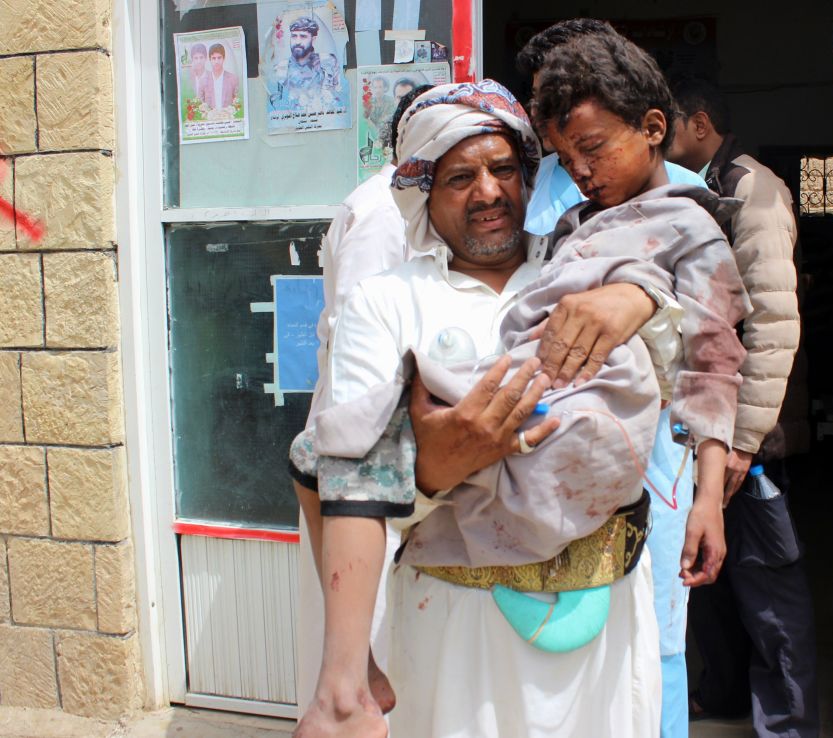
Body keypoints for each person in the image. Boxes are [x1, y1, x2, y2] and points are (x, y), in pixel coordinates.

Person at [297, 80, 675, 737]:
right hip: (458, 627)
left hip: (607, 614)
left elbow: (686, 350)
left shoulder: (589, 270)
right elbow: (343, 482)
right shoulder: (385, 302)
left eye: (503, 169)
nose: (489, 192)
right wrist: (433, 468)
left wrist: (636, 299)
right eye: (459, 177)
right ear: (422, 193)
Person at [516, 20, 720, 738]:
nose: (583, 171)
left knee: (658, 637)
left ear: (655, 127)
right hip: (577, 455)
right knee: (586, 627)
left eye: (594, 150)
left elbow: (714, 369)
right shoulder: (574, 219)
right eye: (567, 160)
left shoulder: (693, 219)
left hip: (663, 467)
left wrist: (711, 499)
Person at [668, 77, 816, 738]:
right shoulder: (701, 187)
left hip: (751, 440)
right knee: (714, 586)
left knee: (768, 591)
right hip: (711, 434)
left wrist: (746, 439)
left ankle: (789, 724)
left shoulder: (753, 189)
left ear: (699, 124)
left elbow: (775, 324)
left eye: (665, 127)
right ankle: (724, 695)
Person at [290, 85, 433, 718]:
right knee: (364, 626)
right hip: (365, 449)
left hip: (390, 448)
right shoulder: (383, 210)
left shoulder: (409, 203)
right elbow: (362, 336)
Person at [200, 43, 239, 111]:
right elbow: (200, 104)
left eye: (219, 58)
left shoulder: (233, 79)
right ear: (210, 59)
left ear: (223, 58)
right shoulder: (203, 81)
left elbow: (237, 103)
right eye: (214, 58)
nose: (216, 61)